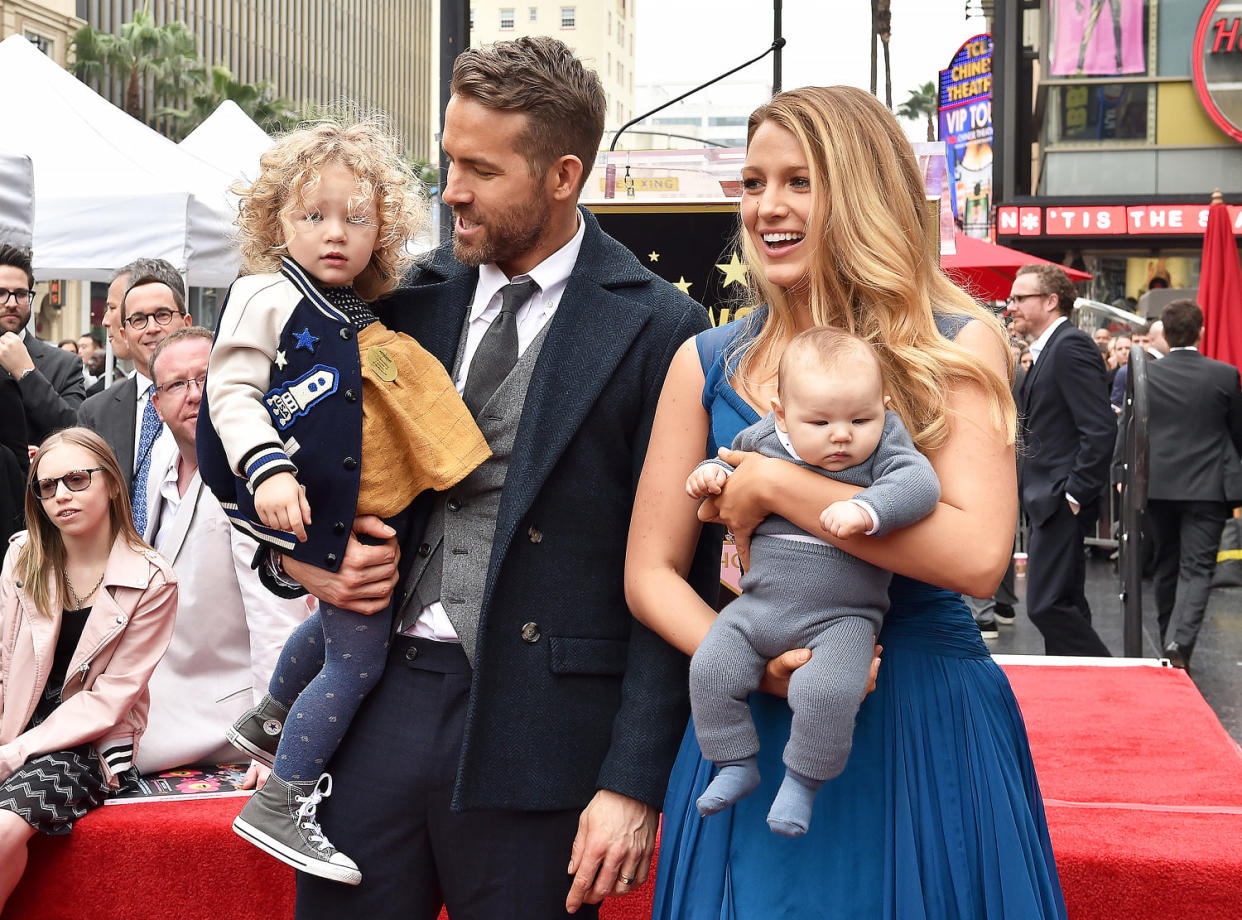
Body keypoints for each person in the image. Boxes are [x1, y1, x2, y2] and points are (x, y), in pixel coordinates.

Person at [254, 38, 716, 920]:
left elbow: (682, 577)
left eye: (479, 168)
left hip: (544, 731)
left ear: (561, 175)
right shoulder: (398, 298)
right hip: (375, 700)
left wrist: (633, 781)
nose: (451, 190)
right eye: (447, 160)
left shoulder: (663, 325)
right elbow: (297, 468)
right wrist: (301, 564)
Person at [626, 85, 1065, 919]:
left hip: (920, 715)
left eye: (798, 181)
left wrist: (775, 484)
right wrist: (756, 668)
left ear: (859, 191)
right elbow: (648, 573)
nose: (767, 207)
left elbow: (977, 558)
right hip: (753, 722)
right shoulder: (706, 360)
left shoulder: (953, 343)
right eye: (753, 183)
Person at [197, 119, 490, 885]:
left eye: (357, 219)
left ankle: (267, 719)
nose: (336, 234)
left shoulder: (359, 308)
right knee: (357, 663)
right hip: (310, 511)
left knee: (337, 638)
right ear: (276, 223)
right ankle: (281, 798)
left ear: (382, 230)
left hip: (361, 513)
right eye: (314, 216)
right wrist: (266, 471)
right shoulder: (265, 294)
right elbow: (227, 393)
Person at [682, 326, 939, 837]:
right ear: (780, 414)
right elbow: (729, 466)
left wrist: (869, 508)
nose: (841, 435)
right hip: (756, 609)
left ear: (883, 408)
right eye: (819, 421)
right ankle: (734, 763)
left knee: (827, 693)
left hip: (842, 618)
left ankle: (803, 781)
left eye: (859, 419)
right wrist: (709, 474)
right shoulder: (761, 439)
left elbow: (920, 482)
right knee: (709, 667)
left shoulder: (885, 443)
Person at [0, 427, 177, 914]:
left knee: (3, 830)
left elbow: (112, 698)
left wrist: (17, 751)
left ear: (113, 484)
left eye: (77, 480)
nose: (61, 496)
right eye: (48, 485)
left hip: (86, 745)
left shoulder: (152, 578)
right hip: (13, 722)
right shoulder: (23, 556)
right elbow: (1, 659)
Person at [134, 327, 311, 778]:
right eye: (177, 384)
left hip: (219, 722)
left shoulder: (256, 482)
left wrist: (271, 742)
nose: (194, 396)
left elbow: (277, 620)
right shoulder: (156, 461)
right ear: (156, 403)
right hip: (154, 699)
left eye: (206, 380)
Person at [1117, 300, 1242, 669]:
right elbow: (1237, 432)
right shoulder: (1225, 374)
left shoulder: (1146, 375)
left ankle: (1169, 638)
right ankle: (1178, 643)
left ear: (1165, 335)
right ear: (1200, 332)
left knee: (1167, 564)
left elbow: (1128, 430)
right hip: (1208, 488)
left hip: (1157, 486)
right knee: (1197, 568)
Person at [1010, 264, 1114, 656]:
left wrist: (1075, 493)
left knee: (1046, 605)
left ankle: (1108, 678)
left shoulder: (1070, 346)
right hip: (1049, 498)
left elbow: (1100, 428)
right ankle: (1079, 683)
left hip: (1059, 499)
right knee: (1065, 602)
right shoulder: (1051, 349)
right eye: (1013, 298)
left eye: (1021, 298)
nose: (1012, 306)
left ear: (1051, 301)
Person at [77, 261, 190, 531]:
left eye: (162, 315)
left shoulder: (215, 398)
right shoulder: (95, 412)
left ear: (186, 322)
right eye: (139, 319)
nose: (151, 328)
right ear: (126, 334)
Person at [0, 245, 85, 445]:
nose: (11, 303)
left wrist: (27, 373)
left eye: (21, 294)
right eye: (1, 293)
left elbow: (76, 436)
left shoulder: (65, 365)